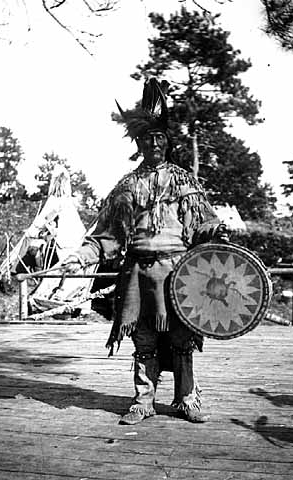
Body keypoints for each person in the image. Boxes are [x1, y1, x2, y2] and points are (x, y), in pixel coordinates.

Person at [62, 78, 228, 425]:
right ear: (138, 142)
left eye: (160, 138)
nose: (154, 143)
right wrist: (80, 256)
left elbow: (202, 224)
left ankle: (186, 399)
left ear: (168, 142)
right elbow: (106, 235)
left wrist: (213, 230)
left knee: (182, 340)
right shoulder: (126, 187)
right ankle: (143, 401)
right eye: (147, 138)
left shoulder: (185, 182)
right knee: (145, 340)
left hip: (179, 273)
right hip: (138, 274)